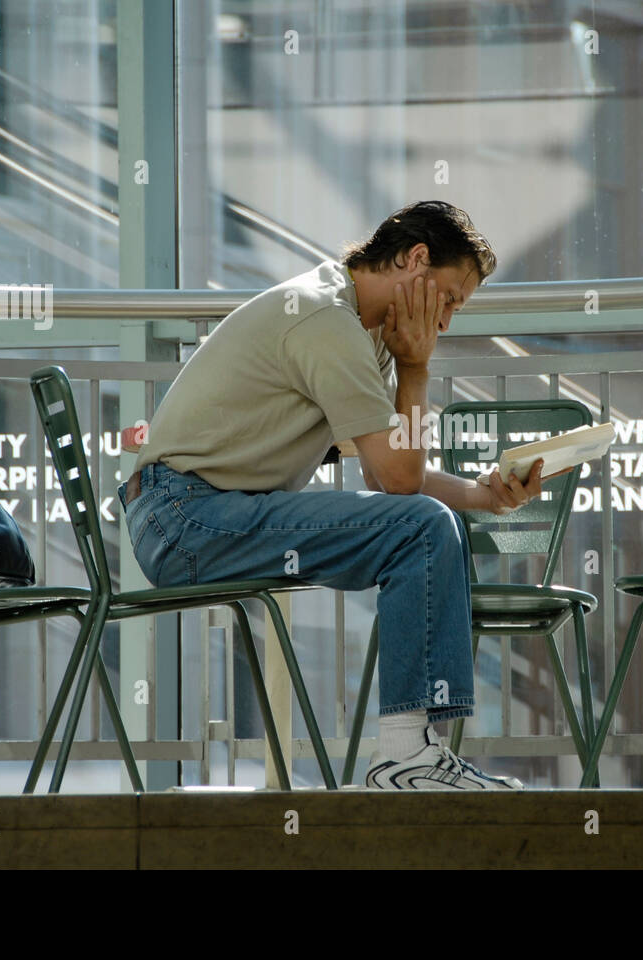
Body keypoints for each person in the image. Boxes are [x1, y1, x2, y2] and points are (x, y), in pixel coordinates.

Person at [118, 200, 549, 790]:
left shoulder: (360, 329)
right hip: (186, 518)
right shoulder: (326, 320)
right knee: (421, 528)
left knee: (418, 526)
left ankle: (411, 754)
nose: (445, 323)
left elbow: (387, 475)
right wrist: (416, 371)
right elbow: (399, 483)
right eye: (448, 298)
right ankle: (407, 758)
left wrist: (483, 494)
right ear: (416, 259)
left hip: (199, 512)